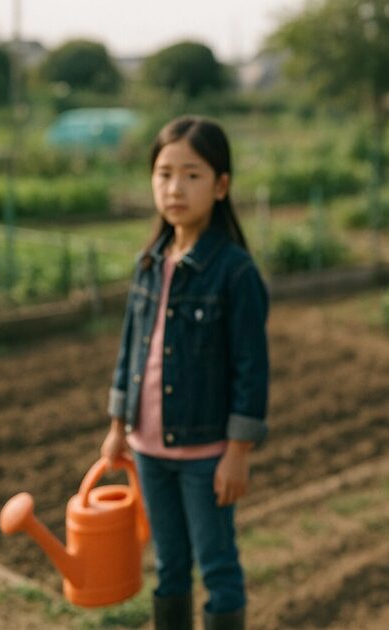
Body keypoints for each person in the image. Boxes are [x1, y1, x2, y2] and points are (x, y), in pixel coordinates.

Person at [100, 116, 269, 630]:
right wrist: (116, 428)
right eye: (163, 173)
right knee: (169, 566)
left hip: (204, 456)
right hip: (148, 449)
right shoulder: (149, 262)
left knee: (217, 568)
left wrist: (236, 454)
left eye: (191, 175)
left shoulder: (236, 272)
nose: (175, 187)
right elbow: (131, 347)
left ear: (221, 186)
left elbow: (251, 369)